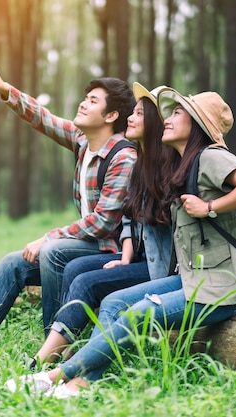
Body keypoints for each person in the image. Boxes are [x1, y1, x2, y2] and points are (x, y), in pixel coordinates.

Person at [5, 86, 236, 398]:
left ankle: (55, 375)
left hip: (226, 288)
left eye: (176, 114)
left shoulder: (210, 157)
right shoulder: (185, 164)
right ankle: (83, 383)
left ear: (197, 124)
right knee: (114, 302)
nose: (167, 119)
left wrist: (209, 207)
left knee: (137, 314)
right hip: (193, 279)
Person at [0, 59, 137, 338]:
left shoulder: (123, 157)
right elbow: (42, 118)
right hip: (86, 244)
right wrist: (6, 90)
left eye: (92, 101)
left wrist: (49, 237)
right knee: (12, 263)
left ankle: (54, 341)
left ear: (111, 115)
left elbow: (102, 223)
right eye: (85, 98)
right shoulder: (82, 141)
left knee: (52, 251)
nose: (83, 104)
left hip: (111, 250)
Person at [28, 83, 175, 369]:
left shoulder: (163, 167)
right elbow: (132, 218)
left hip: (164, 267)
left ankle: (46, 359)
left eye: (138, 115)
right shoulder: (142, 161)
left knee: (84, 279)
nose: (130, 119)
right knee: (74, 268)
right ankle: (60, 344)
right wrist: (126, 257)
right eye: (131, 113)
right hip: (140, 257)